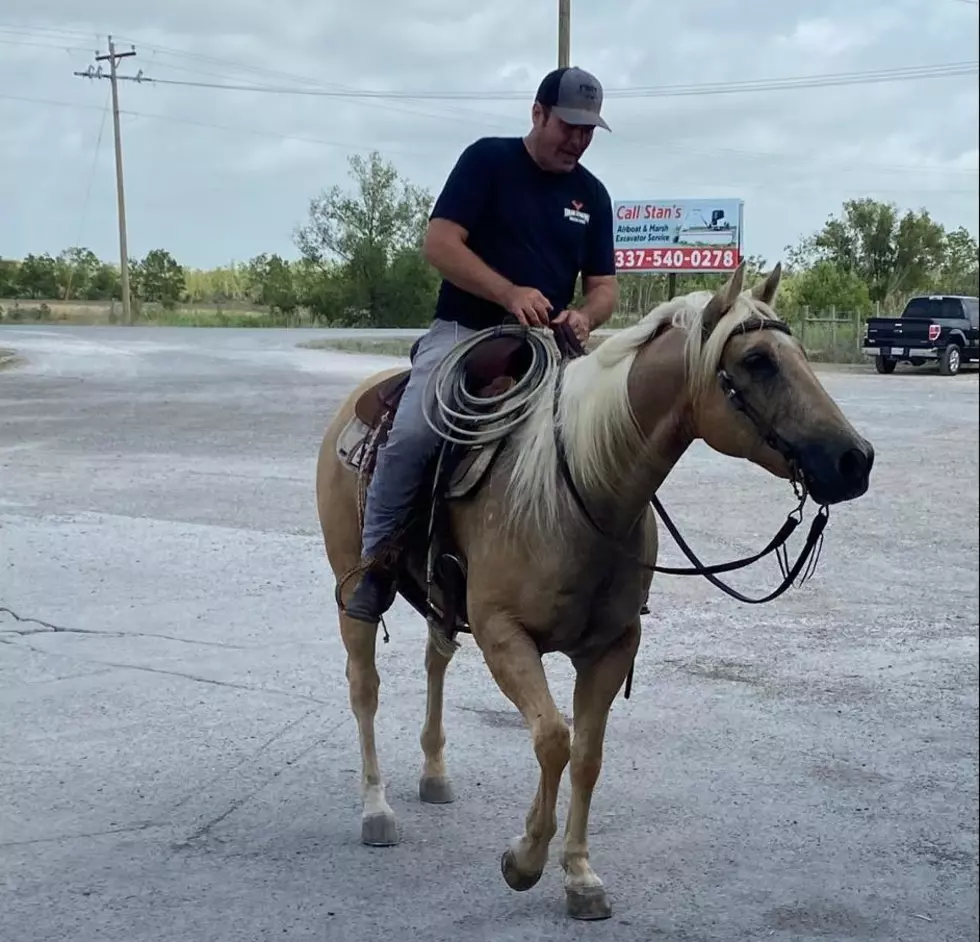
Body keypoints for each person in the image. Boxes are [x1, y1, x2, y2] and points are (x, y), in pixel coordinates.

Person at [345, 65, 619, 624]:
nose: (578, 140)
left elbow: (605, 287)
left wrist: (585, 316)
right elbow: (440, 243)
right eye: (569, 125)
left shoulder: (592, 195)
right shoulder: (487, 161)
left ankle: (596, 571)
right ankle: (376, 564)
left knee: (606, 430)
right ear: (538, 113)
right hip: (465, 333)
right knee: (414, 433)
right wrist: (507, 291)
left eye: (589, 130)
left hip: (547, 345)